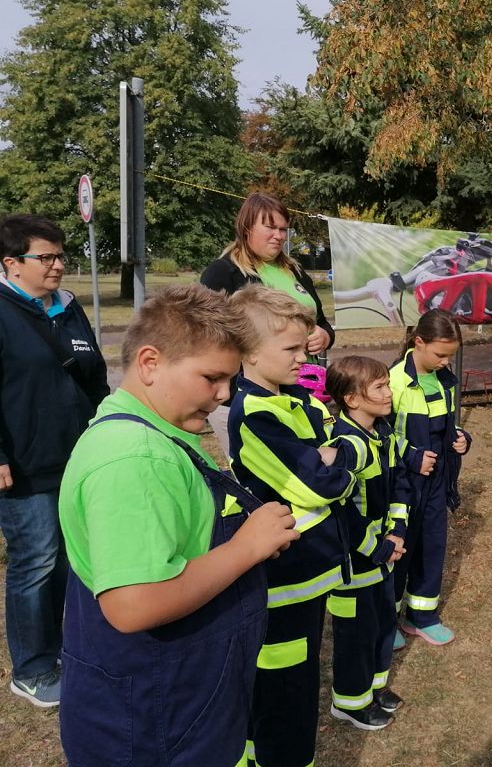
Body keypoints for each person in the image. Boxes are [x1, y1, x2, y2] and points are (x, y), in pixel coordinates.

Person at [58, 284, 298, 766]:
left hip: (177, 701)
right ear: (150, 362)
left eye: (230, 379)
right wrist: (247, 547)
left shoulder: (151, 432)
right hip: (156, 717)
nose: (224, 395)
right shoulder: (135, 458)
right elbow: (134, 604)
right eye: (211, 377)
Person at [227, 286, 363, 767]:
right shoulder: (255, 415)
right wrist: (341, 461)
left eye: (304, 346)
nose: (303, 357)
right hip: (284, 583)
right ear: (249, 351)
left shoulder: (294, 398)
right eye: (290, 348)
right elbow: (319, 485)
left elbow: (338, 444)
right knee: (284, 693)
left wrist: (334, 455)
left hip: (310, 575)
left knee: (297, 681)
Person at [0, 213, 108, 708]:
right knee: (36, 561)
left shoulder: (68, 308)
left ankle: (64, 650)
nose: (58, 265)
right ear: (11, 263)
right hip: (25, 466)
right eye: (45, 257)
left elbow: (95, 377)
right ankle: (32, 669)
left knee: (71, 558)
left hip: (77, 459)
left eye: (61, 255)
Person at [200, 192, 335, 453]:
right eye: (270, 227)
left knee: (307, 466)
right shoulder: (223, 272)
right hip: (248, 401)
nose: (279, 236)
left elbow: (322, 322)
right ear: (246, 227)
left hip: (302, 395)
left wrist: (324, 336)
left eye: (283, 229)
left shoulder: (293, 270)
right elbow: (205, 338)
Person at [324, 356, 409, 731]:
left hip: (384, 554)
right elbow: (341, 512)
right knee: (356, 635)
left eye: (387, 384)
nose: (389, 393)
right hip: (356, 562)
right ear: (352, 399)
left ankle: (373, 689)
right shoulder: (343, 446)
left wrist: (398, 529)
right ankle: (349, 702)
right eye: (380, 387)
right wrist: (377, 547)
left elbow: (400, 481)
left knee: (382, 624)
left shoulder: (383, 433)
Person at [389, 309, 471, 647]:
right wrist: (411, 458)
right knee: (401, 548)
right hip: (405, 484)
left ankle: (421, 616)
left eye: (449, 356)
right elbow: (381, 434)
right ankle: (388, 621)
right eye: (440, 354)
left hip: (438, 479)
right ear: (418, 342)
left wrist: (462, 439)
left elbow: (447, 425)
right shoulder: (393, 381)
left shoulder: (444, 379)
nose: (445, 362)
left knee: (432, 545)